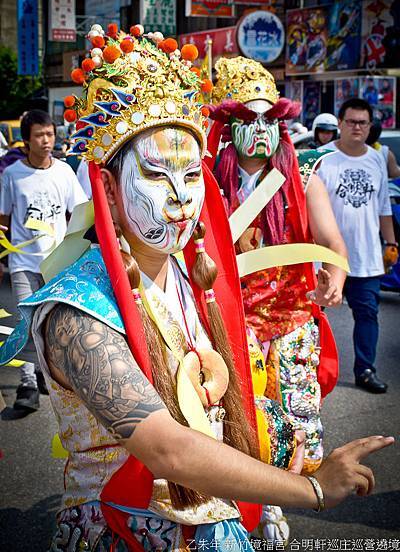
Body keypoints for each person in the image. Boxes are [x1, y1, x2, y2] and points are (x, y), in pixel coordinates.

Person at [0, 27, 393, 551]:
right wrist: (312, 489)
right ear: (110, 191)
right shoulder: (78, 313)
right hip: (126, 532)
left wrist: (272, 442)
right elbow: (169, 452)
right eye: (158, 175)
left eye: (190, 176)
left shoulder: (194, 282)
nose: (182, 199)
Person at [208, 57, 347, 475]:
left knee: (294, 412)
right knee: (233, 414)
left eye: (271, 121)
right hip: (229, 316)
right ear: (230, 126)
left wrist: (334, 279)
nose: (262, 130)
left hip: (291, 314)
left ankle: (281, 494)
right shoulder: (207, 178)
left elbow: (331, 241)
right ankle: (246, 491)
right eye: (250, 120)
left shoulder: (304, 177)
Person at [0, 109, 87, 415]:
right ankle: (27, 385)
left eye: (50, 133)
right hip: (23, 262)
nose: (47, 140)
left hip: (57, 263)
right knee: (25, 324)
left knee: (53, 324)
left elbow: (76, 215)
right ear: (26, 140)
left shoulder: (64, 172)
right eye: (40, 135)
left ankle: (47, 375)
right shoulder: (12, 176)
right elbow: (4, 219)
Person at [317, 98, 398, 393]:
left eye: (362, 123)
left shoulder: (376, 159)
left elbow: (383, 207)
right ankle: (309, 369)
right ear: (340, 123)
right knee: (317, 316)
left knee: (367, 314)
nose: (356, 127)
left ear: (369, 127)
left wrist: (391, 243)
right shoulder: (322, 157)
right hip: (325, 258)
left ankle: (365, 369)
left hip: (366, 256)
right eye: (351, 121)